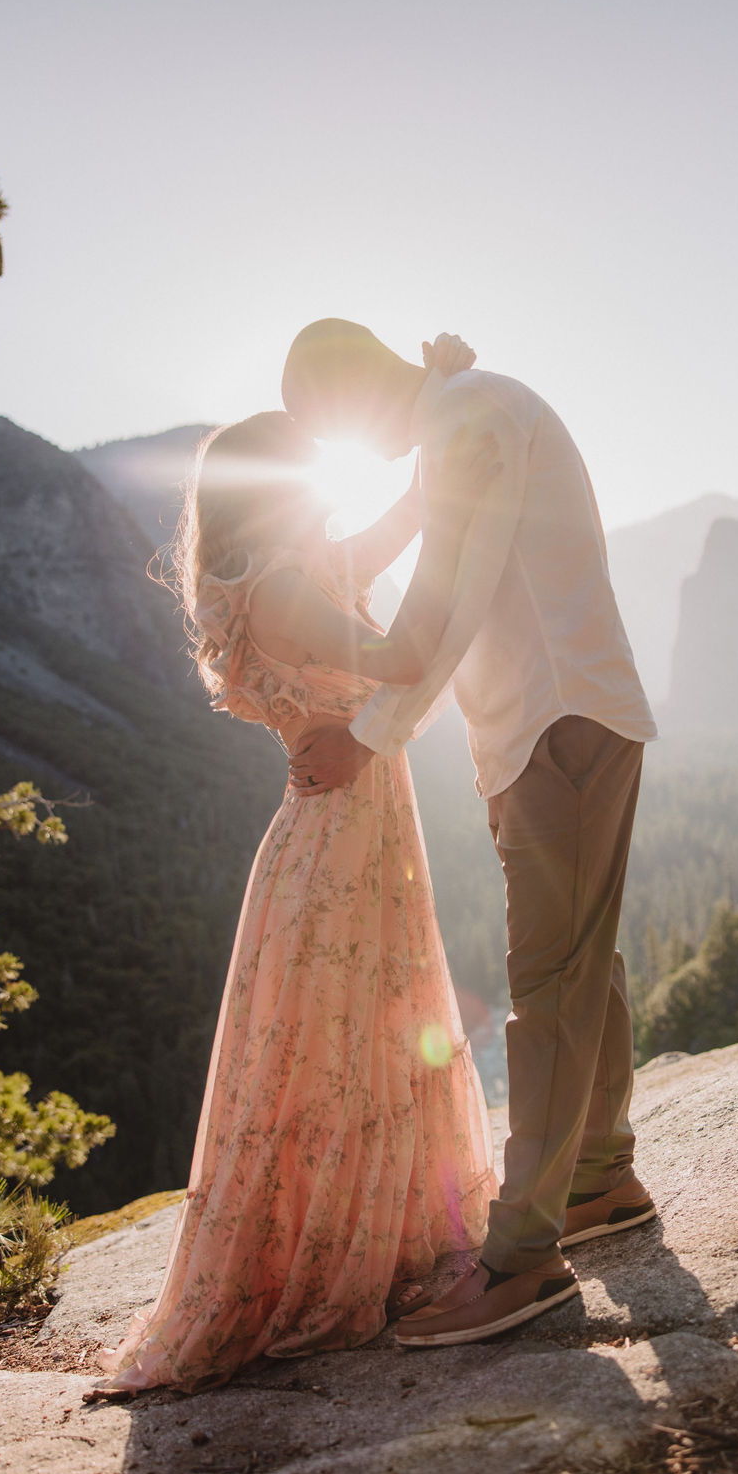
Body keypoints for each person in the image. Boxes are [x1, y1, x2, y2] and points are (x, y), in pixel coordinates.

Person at [88, 336, 498, 1397]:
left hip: (351, 828)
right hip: (334, 842)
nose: (323, 504)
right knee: (333, 1052)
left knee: (362, 1041)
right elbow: (403, 658)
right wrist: (463, 547)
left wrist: (443, 395)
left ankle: (388, 1235)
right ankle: (323, 1263)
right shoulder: (276, 588)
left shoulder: (294, 567)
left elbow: (400, 517)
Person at [282, 320, 659, 1347]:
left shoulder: (469, 417)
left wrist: (362, 734)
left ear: (356, 394)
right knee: (584, 960)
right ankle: (599, 1177)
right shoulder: (461, 413)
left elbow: (434, 615)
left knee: (549, 984)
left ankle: (522, 1255)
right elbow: (437, 566)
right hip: (538, 727)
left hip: (558, 722)